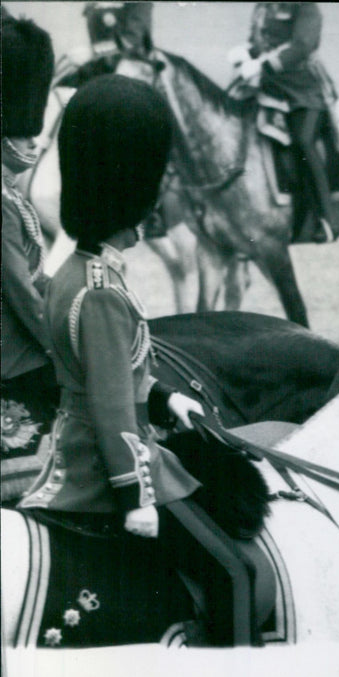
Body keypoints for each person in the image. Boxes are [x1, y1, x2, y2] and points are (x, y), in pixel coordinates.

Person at [18, 75, 258, 646]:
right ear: (129, 196)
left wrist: (164, 395)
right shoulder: (100, 292)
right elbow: (108, 410)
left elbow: (115, 374)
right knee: (235, 575)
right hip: (102, 475)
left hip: (89, 452)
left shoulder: (75, 270)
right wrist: (135, 497)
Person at [1, 10, 60, 505]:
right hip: (15, 358)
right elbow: (22, 290)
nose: (33, 142)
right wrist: (63, 341)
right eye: (24, 134)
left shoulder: (8, 192)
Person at [231, 2, 336, 243]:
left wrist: (262, 64)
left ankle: (326, 219)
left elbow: (302, 45)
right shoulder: (262, 6)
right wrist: (246, 52)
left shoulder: (305, 7)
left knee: (304, 142)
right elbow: (258, 42)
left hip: (303, 90)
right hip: (267, 87)